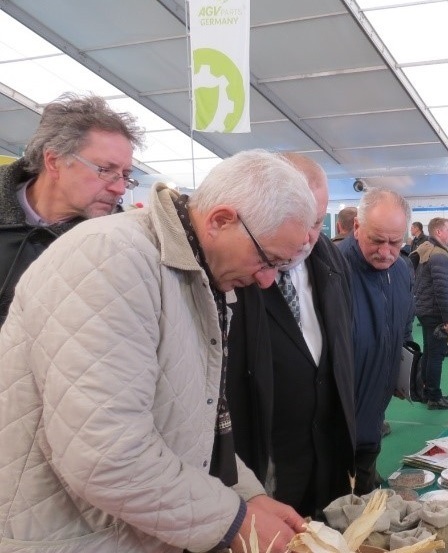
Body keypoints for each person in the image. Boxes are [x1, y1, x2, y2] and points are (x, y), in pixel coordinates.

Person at [0, 150, 314, 552]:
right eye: (267, 259)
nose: (268, 280)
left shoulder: (197, 274)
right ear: (221, 220)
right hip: (72, 537)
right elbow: (106, 455)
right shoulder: (111, 258)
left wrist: (249, 495)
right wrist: (234, 518)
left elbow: (193, 418)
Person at [227, 153, 355, 519]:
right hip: (262, 462)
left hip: (325, 456)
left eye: (317, 221)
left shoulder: (330, 259)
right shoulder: (235, 268)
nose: (307, 237)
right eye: (298, 221)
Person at [0, 92, 143, 324]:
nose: (120, 189)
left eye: (125, 175)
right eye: (105, 170)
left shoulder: (118, 247)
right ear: (54, 161)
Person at [337, 188, 414, 495]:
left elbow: (404, 323)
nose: (386, 252)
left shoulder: (401, 269)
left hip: (373, 418)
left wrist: (400, 369)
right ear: (357, 227)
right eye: (376, 240)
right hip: (336, 430)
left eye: (395, 242)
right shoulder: (333, 270)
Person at [413, 217, 448, 409]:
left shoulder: (426, 249)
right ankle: (434, 395)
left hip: (426, 310)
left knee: (430, 352)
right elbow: (443, 290)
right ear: (438, 232)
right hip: (435, 312)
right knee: (436, 355)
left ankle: (427, 391)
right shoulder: (439, 255)